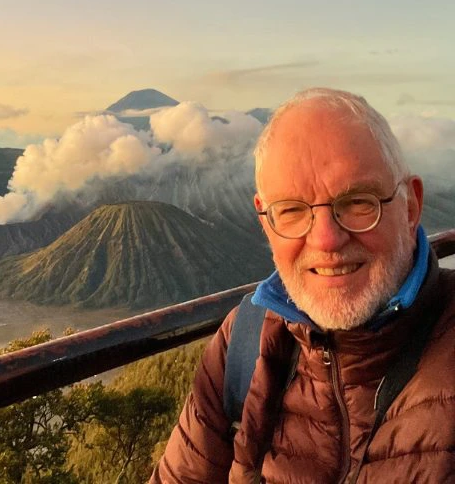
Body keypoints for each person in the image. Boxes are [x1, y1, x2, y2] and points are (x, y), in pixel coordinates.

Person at [150, 88, 455, 483]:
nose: (326, 240)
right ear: (265, 221)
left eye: (358, 202)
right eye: (292, 210)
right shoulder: (243, 346)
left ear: (410, 207)